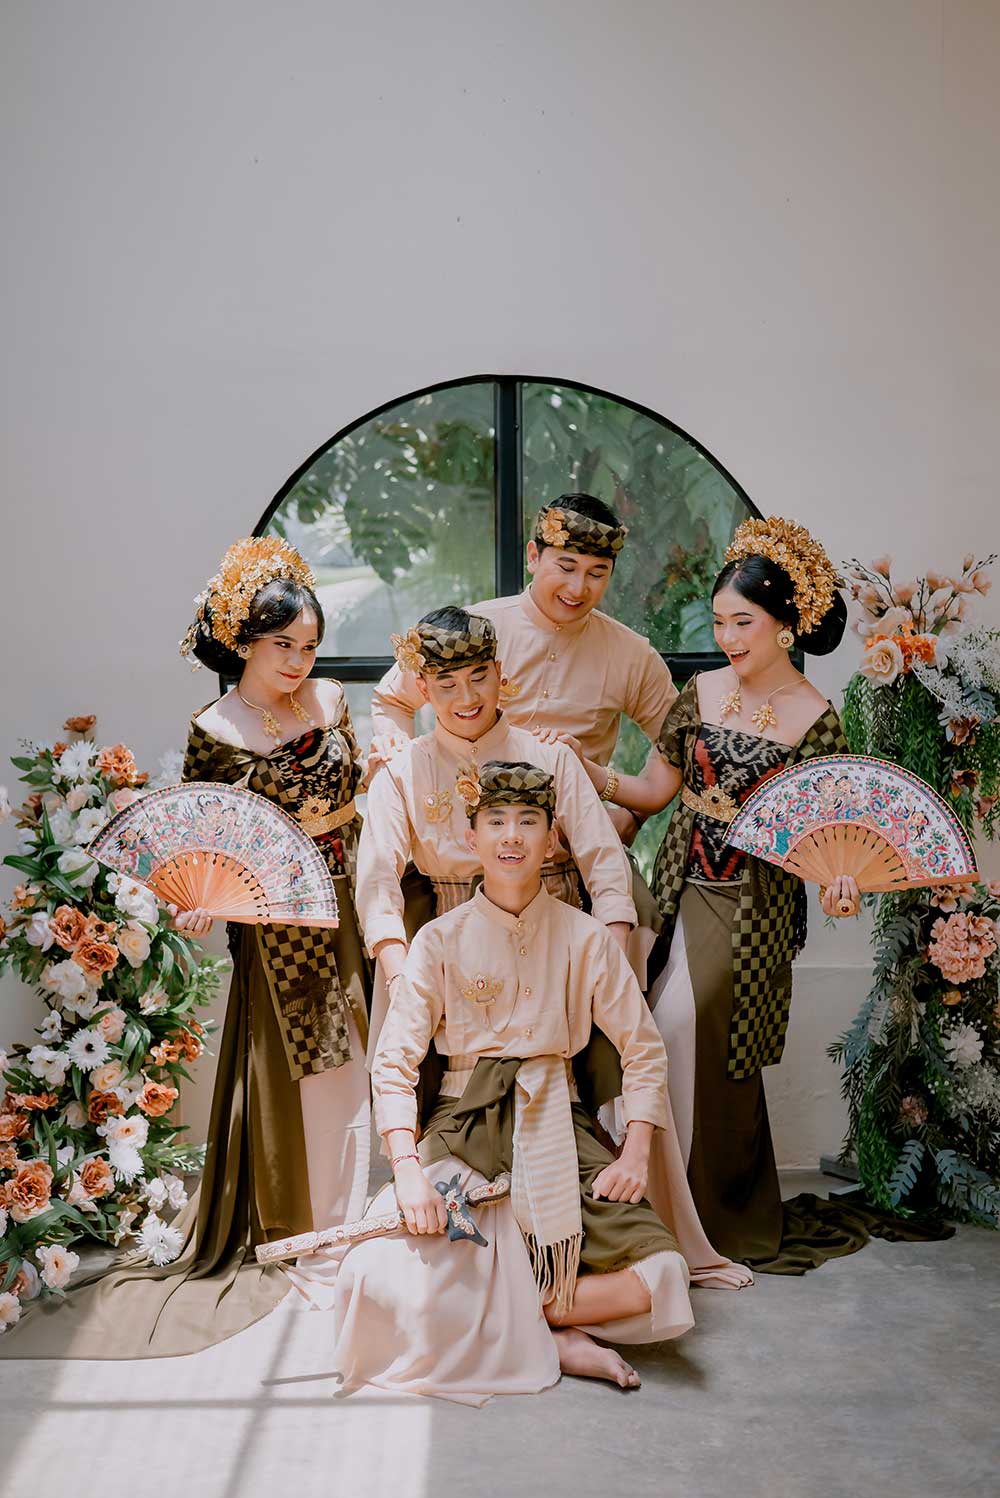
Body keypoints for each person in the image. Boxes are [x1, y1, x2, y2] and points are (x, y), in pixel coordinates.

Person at [1, 537, 372, 1358]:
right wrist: (201, 900)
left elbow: (357, 796)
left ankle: (348, 1222)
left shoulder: (331, 700)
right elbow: (212, 834)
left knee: (364, 1059)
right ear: (245, 642)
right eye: (283, 646)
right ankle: (309, 1228)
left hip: (351, 894)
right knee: (308, 1067)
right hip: (280, 926)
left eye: (310, 646)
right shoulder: (216, 726)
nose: (299, 661)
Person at [551, 517, 873, 1273]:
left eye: (743, 623)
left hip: (754, 906)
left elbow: (829, 841)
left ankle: (701, 1216)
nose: (727, 638)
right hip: (677, 886)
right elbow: (653, 789)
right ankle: (651, 1208)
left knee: (690, 1035)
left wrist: (842, 888)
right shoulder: (699, 690)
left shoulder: (817, 721)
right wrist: (589, 772)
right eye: (720, 621)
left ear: (785, 625)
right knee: (645, 1027)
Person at [329, 761, 694, 1403]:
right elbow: (393, 1064)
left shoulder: (586, 938)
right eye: (495, 821)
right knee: (368, 1283)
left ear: (552, 840)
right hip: (462, 1125)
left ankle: (519, 1318)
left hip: (561, 1128)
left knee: (663, 1277)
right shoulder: (437, 941)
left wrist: (635, 1151)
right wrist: (408, 1171)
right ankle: (555, 1333)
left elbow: (642, 1048)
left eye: (528, 822)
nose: (511, 836)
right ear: (471, 838)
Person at [371, 493, 673, 981]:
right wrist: (402, 760)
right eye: (566, 567)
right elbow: (393, 699)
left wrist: (626, 806)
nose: (578, 587)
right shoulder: (474, 635)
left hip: (571, 851)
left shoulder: (631, 655)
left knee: (639, 929)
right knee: (394, 935)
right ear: (534, 556)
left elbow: (677, 747)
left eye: (597, 573)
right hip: (458, 857)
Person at [357, 606, 637, 1054]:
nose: (467, 697)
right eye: (447, 684)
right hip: (448, 952)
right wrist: (401, 978)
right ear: (423, 688)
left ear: (499, 672)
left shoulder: (550, 756)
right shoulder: (401, 771)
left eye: (478, 677)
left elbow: (603, 860)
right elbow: (377, 883)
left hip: (555, 940)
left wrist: (613, 961)